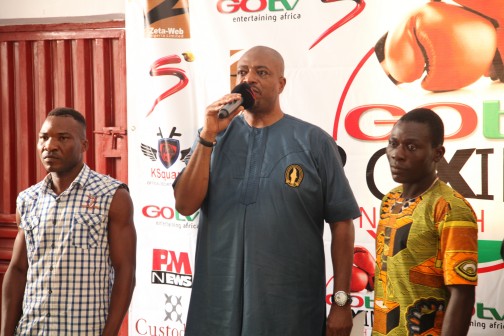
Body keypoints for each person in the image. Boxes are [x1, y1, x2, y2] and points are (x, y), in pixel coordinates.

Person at [173, 45, 361, 336]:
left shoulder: (314, 142)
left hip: (288, 308)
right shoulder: (212, 138)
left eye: (262, 72)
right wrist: (208, 136)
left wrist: (341, 301)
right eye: (243, 72)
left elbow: (342, 223)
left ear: (281, 84)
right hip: (216, 306)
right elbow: (185, 205)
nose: (250, 79)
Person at [1, 107, 136, 335]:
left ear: (84, 146)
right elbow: (17, 269)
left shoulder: (112, 196)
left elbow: (125, 271)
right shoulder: (27, 200)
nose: (50, 146)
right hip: (32, 330)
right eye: (44, 138)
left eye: (62, 138)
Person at [373, 108, 478, 336]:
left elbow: (462, 294)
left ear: (437, 153)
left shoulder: (451, 208)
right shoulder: (390, 199)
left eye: (411, 147)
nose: (397, 154)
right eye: (393, 143)